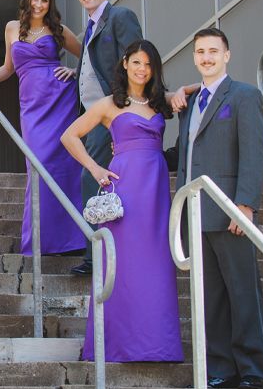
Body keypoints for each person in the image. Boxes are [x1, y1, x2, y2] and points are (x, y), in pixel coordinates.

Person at [60, 40, 183, 362]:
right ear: (125, 64)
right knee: (122, 264)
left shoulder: (159, 103)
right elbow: (69, 136)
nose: (142, 69)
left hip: (155, 189)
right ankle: (118, 344)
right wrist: (95, 167)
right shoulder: (108, 104)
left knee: (156, 264)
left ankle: (158, 345)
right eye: (137, 63)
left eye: (148, 64)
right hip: (124, 186)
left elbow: (189, 94)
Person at [171, 28, 263, 389]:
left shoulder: (243, 96)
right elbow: (188, 155)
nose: (207, 57)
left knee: (242, 291)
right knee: (211, 297)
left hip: (230, 212)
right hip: (196, 214)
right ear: (195, 57)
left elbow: (254, 153)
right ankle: (222, 368)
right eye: (200, 52)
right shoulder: (190, 102)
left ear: (226, 55)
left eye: (214, 51)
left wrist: (245, 204)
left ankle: (252, 368)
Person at [0, 0, 86, 255]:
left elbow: (87, 54)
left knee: (63, 165)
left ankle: (71, 240)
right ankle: (42, 240)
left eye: (45, 0)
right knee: (38, 165)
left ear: (50, 3)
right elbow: (8, 68)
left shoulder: (57, 29)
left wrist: (75, 72)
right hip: (31, 106)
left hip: (59, 100)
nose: (39, 5)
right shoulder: (12, 28)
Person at [70, 0, 143, 276]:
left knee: (92, 177)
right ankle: (103, 250)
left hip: (111, 113)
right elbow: (97, 62)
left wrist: (127, 110)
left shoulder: (119, 17)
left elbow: (136, 61)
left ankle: (95, 255)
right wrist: (76, 72)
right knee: (95, 178)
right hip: (92, 114)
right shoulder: (90, 25)